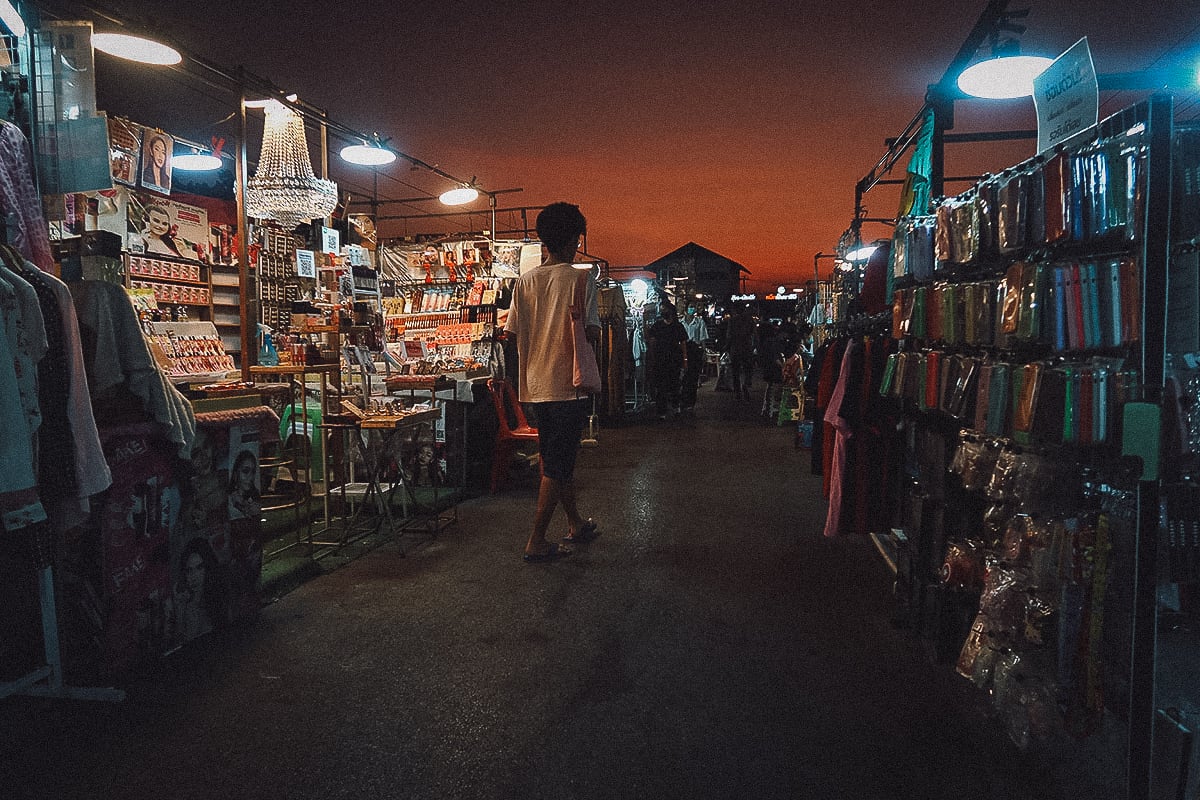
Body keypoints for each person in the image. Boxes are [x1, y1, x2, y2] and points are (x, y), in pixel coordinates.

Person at [503, 202, 600, 562]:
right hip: (568, 385)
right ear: (573, 238)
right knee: (558, 464)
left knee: (557, 458)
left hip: (536, 385)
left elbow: (511, 333)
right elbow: (590, 331)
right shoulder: (579, 279)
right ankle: (536, 540)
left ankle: (574, 522)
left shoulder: (525, 281)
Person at [645, 300, 688, 419]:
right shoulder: (657, 326)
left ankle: (676, 407)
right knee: (661, 387)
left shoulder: (678, 326)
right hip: (660, 360)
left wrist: (685, 360)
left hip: (674, 360)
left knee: (675, 384)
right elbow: (651, 340)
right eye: (662, 310)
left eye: (665, 310)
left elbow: (683, 342)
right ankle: (662, 411)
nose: (663, 312)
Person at [679, 302, 709, 412]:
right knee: (683, 377)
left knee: (693, 378)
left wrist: (704, 352)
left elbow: (702, 339)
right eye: (690, 306)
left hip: (695, 351)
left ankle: (690, 402)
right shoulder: (680, 322)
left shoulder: (699, 322)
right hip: (683, 350)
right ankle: (682, 400)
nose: (693, 309)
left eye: (694, 307)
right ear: (686, 308)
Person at [725, 303, 756, 400]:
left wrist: (727, 347)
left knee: (735, 371)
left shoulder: (732, 321)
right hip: (746, 347)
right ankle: (746, 385)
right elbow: (754, 334)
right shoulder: (750, 320)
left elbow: (729, 335)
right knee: (748, 369)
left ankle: (738, 391)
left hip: (735, 347)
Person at [227, 449, 261, 520]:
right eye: (245, 471)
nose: (251, 477)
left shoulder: (256, 499)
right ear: (236, 474)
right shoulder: (227, 500)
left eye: (253, 472)